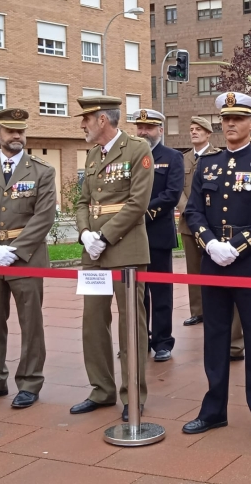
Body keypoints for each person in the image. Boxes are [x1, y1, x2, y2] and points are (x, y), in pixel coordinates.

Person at [182, 91, 251, 446]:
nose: (230, 125)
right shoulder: (207, 164)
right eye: (226, 119)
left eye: (238, 119)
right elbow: (193, 210)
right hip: (213, 261)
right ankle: (213, 411)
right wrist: (210, 243)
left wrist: (236, 247)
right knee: (215, 339)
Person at [0, 108, 56, 409]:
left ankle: (29, 382)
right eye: (10, 131)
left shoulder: (42, 170)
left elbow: (44, 217)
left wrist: (15, 250)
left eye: (21, 131)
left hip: (26, 258)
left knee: (31, 324)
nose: (17, 136)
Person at [70, 96, 154, 423]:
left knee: (130, 325)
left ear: (102, 120)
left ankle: (133, 395)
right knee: (93, 323)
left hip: (125, 250)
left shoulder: (137, 149)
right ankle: (101, 389)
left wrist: (103, 236)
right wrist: (84, 235)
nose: (82, 125)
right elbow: (82, 202)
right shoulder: (92, 155)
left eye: (86, 119)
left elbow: (137, 203)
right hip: (93, 254)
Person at [134, 109, 184, 362]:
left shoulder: (172, 157)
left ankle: (163, 342)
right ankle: (140, 338)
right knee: (135, 291)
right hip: (130, 236)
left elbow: (172, 194)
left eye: (149, 127)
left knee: (160, 291)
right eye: (140, 127)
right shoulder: (129, 155)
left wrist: (139, 215)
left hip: (157, 233)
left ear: (160, 130)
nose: (143, 132)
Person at [180, 117, 219, 328]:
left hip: (212, 224)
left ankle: (214, 308)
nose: (194, 132)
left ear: (208, 134)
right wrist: (190, 211)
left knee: (213, 267)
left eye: (198, 130)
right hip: (188, 223)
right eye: (192, 129)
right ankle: (198, 311)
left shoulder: (218, 156)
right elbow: (178, 190)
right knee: (193, 269)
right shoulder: (183, 159)